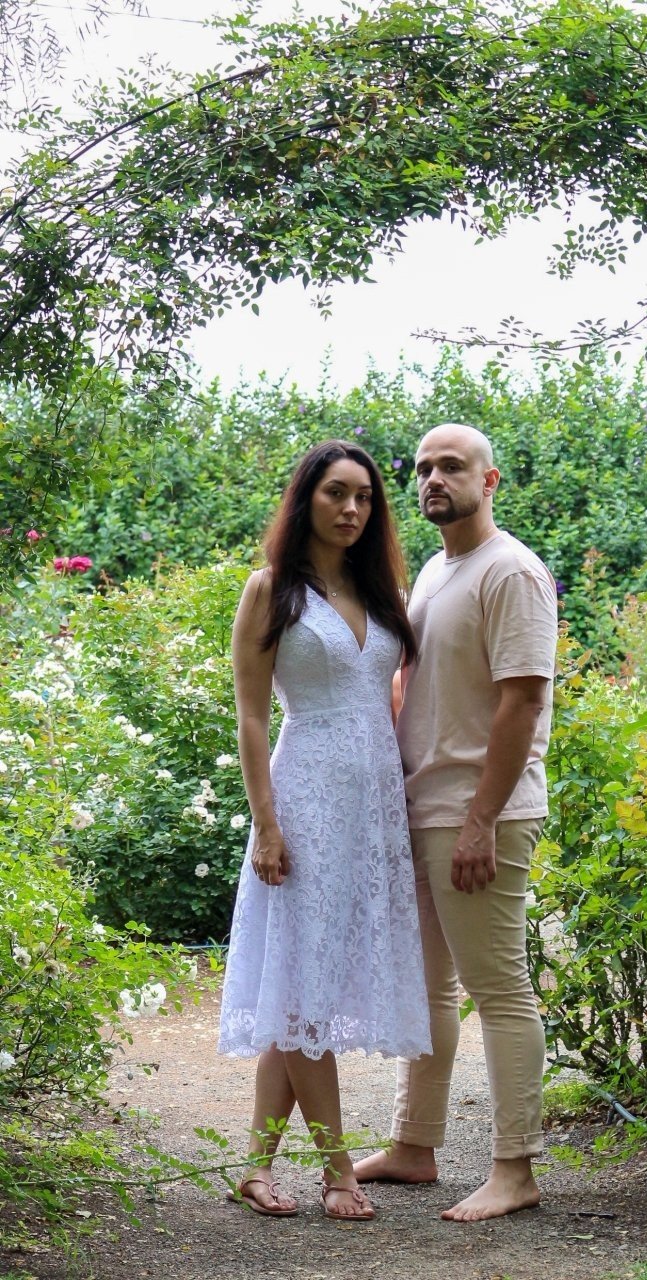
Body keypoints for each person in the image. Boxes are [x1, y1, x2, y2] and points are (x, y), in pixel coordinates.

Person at [218, 439, 432, 1221]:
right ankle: (337, 1170)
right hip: (303, 802)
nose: (351, 508)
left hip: (372, 810)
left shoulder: (384, 593)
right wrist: (266, 825)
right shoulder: (270, 589)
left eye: (365, 496)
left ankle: (254, 1166)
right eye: (336, 492)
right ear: (305, 497)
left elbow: (397, 701)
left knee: (299, 989)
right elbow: (250, 716)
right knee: (305, 988)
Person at [354, 423, 558, 1222]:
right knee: (428, 987)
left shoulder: (510, 571)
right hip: (425, 805)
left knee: (498, 989)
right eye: (422, 468)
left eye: (451, 466)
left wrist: (481, 820)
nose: (432, 479)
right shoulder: (439, 570)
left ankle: (515, 1168)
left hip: (478, 813)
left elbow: (523, 701)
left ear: (489, 480)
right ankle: (414, 1145)